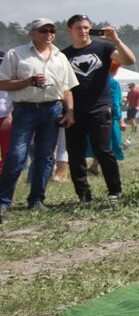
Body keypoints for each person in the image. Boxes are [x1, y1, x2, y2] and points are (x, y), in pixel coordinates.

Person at [0, 20, 78, 212]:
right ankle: (3, 201)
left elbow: (66, 88)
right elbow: (3, 83)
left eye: (52, 30)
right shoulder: (16, 54)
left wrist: (69, 111)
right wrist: (28, 81)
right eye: (43, 30)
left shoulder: (60, 57)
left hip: (52, 109)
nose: (49, 33)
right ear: (31, 33)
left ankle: (36, 200)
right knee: (16, 155)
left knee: (45, 156)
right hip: (25, 109)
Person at [61, 15, 136, 203]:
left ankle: (115, 189)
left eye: (86, 27)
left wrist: (116, 40)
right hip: (75, 109)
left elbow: (129, 60)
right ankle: (83, 194)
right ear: (70, 30)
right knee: (76, 152)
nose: (83, 31)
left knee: (103, 150)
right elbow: (63, 86)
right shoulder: (64, 55)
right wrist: (68, 110)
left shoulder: (103, 48)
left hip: (100, 107)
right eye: (79, 28)